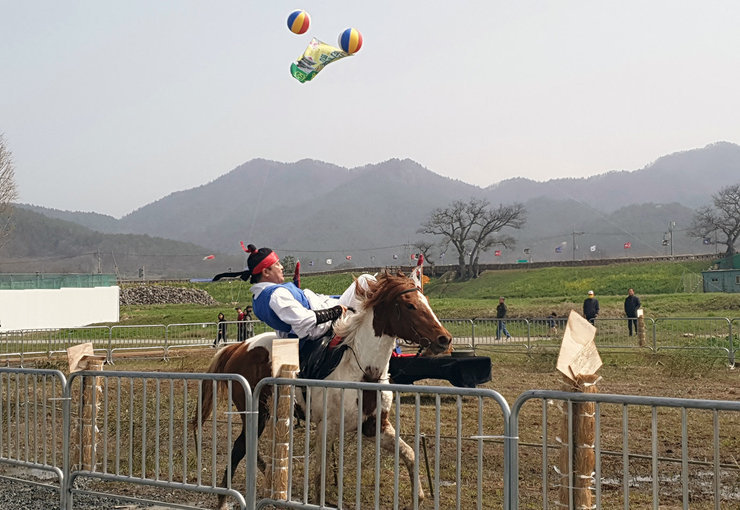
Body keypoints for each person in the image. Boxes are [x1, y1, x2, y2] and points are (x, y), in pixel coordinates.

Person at [243, 244, 372, 353]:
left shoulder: (258, 298)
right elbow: (303, 320)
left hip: (311, 325)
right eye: (277, 264)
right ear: (266, 272)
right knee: (365, 280)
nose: (282, 267)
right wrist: (335, 311)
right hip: (320, 327)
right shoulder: (276, 295)